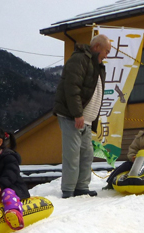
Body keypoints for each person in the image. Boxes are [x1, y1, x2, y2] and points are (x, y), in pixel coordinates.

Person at [53, 33, 111, 199]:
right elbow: (72, 88)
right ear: (97, 47)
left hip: (87, 120)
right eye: (106, 51)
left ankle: (81, 187)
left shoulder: (97, 65)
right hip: (72, 116)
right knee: (72, 154)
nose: (107, 55)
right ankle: (69, 190)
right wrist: (77, 113)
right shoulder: (79, 59)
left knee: (87, 154)